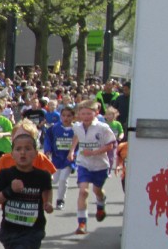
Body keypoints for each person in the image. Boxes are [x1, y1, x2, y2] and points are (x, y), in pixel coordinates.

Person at [70, 99, 118, 235]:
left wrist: (93, 152)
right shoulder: (77, 126)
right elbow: (77, 136)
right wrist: (72, 151)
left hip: (100, 165)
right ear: (79, 114)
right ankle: (82, 223)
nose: (86, 116)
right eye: (83, 113)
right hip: (84, 163)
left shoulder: (102, 128)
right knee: (83, 192)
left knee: (97, 190)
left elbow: (110, 145)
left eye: (89, 113)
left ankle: (101, 202)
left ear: (96, 113)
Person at [43, 105, 76, 210]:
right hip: (56, 158)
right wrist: (47, 150)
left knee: (63, 179)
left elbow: (79, 144)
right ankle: (43, 198)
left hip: (68, 159)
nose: (66, 118)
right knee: (53, 180)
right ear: (60, 116)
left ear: (73, 117)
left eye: (69, 116)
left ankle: (60, 200)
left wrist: (75, 153)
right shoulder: (54, 128)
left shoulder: (76, 129)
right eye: (64, 115)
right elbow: (48, 139)